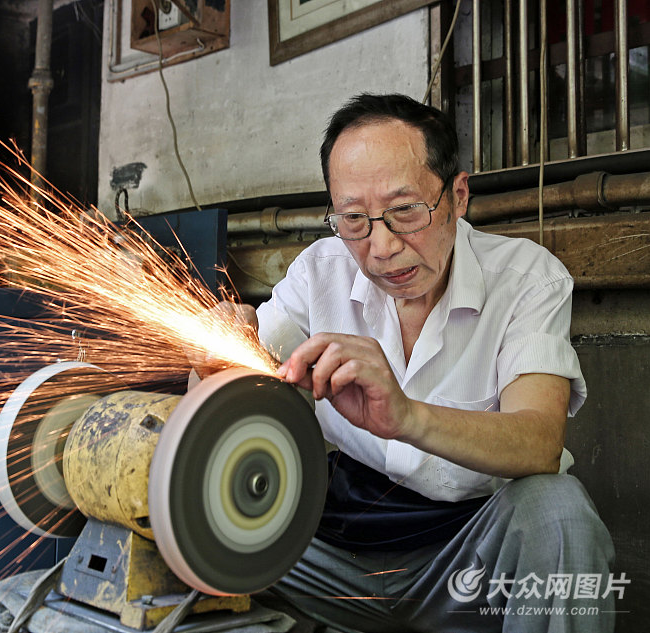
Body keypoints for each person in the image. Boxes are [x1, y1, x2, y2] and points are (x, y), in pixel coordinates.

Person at [222, 94, 616, 632]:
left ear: (456, 196)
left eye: (406, 211)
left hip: (464, 561)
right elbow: (239, 381)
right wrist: (217, 356)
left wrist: (407, 416)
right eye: (355, 219)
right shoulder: (320, 272)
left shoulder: (527, 279)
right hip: (332, 561)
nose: (381, 247)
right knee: (175, 527)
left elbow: (540, 442)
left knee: (558, 513)